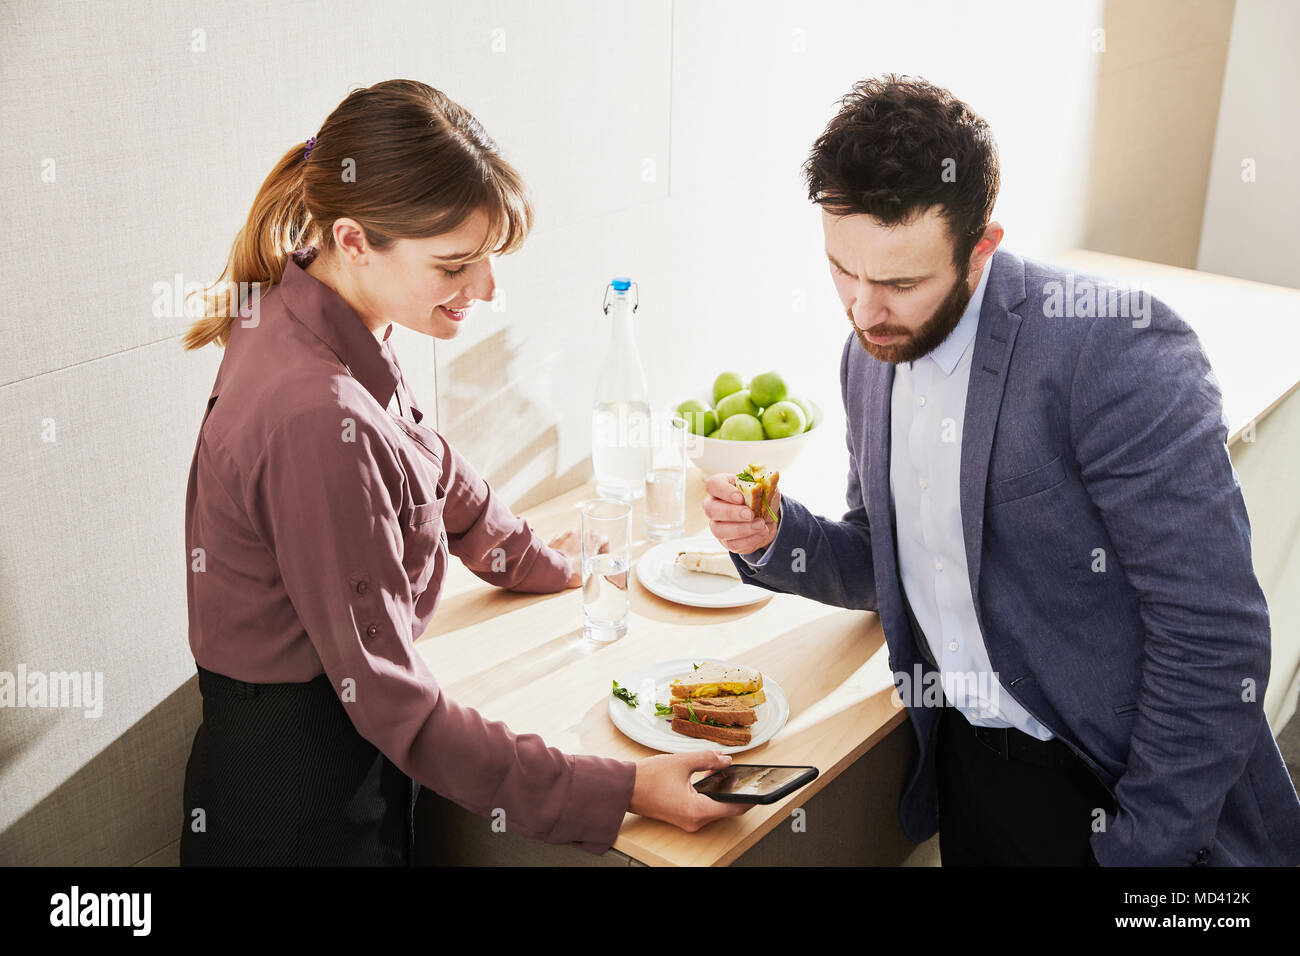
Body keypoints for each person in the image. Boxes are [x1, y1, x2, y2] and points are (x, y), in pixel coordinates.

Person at [705, 74, 1300, 866]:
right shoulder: (870, 356)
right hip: (975, 773)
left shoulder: (1114, 351)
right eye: (842, 269)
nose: (861, 310)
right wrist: (774, 538)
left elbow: (1214, 639)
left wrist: (1138, 853)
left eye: (901, 282)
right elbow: (892, 561)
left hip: (1126, 790)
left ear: (982, 245)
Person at [178, 78, 747, 866]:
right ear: (354, 240)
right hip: (302, 794)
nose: (484, 289)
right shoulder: (313, 414)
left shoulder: (311, 303)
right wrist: (622, 790)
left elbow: (423, 457)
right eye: (455, 267)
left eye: (486, 259)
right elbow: (396, 706)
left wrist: (538, 560)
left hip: (317, 740)